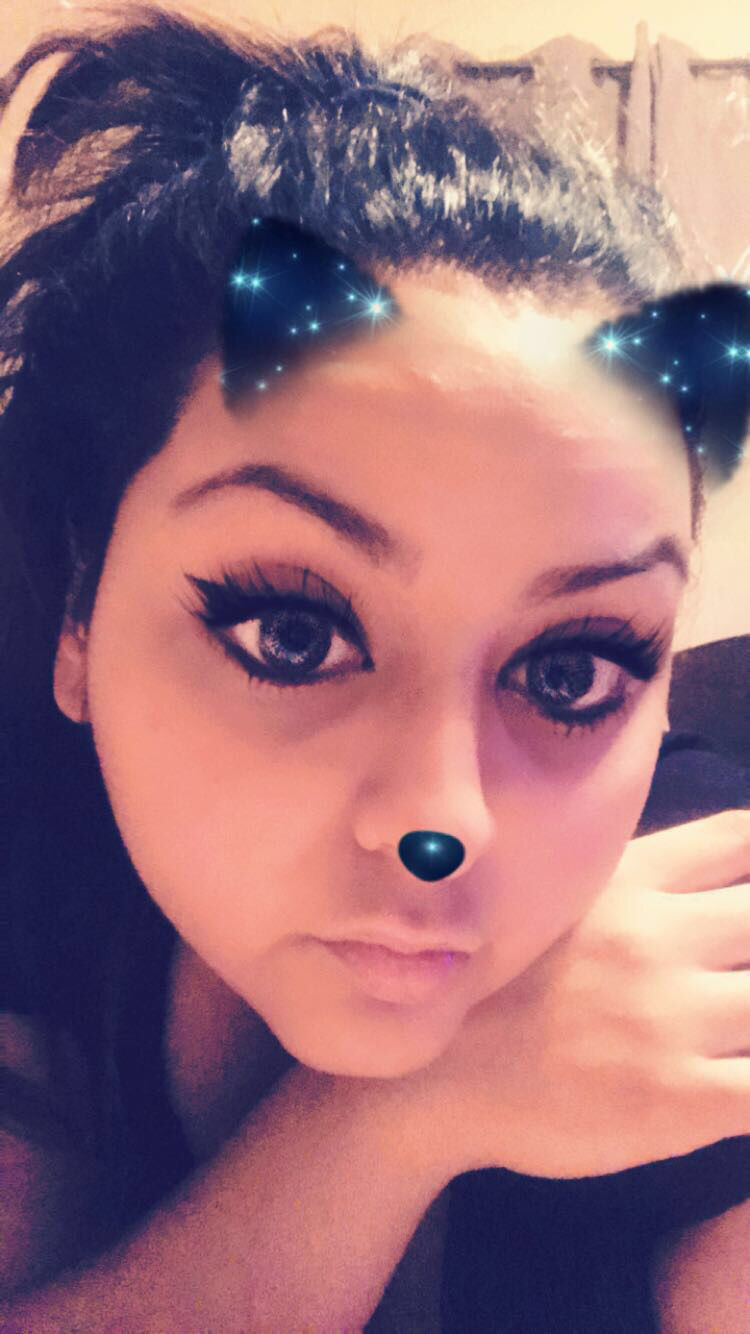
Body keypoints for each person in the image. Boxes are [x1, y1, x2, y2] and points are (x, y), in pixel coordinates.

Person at [0, 6, 749, 1328]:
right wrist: (393, 1117)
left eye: (572, 672)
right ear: (76, 614)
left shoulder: (707, 968)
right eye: (291, 635)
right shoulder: (33, 861)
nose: (439, 823)